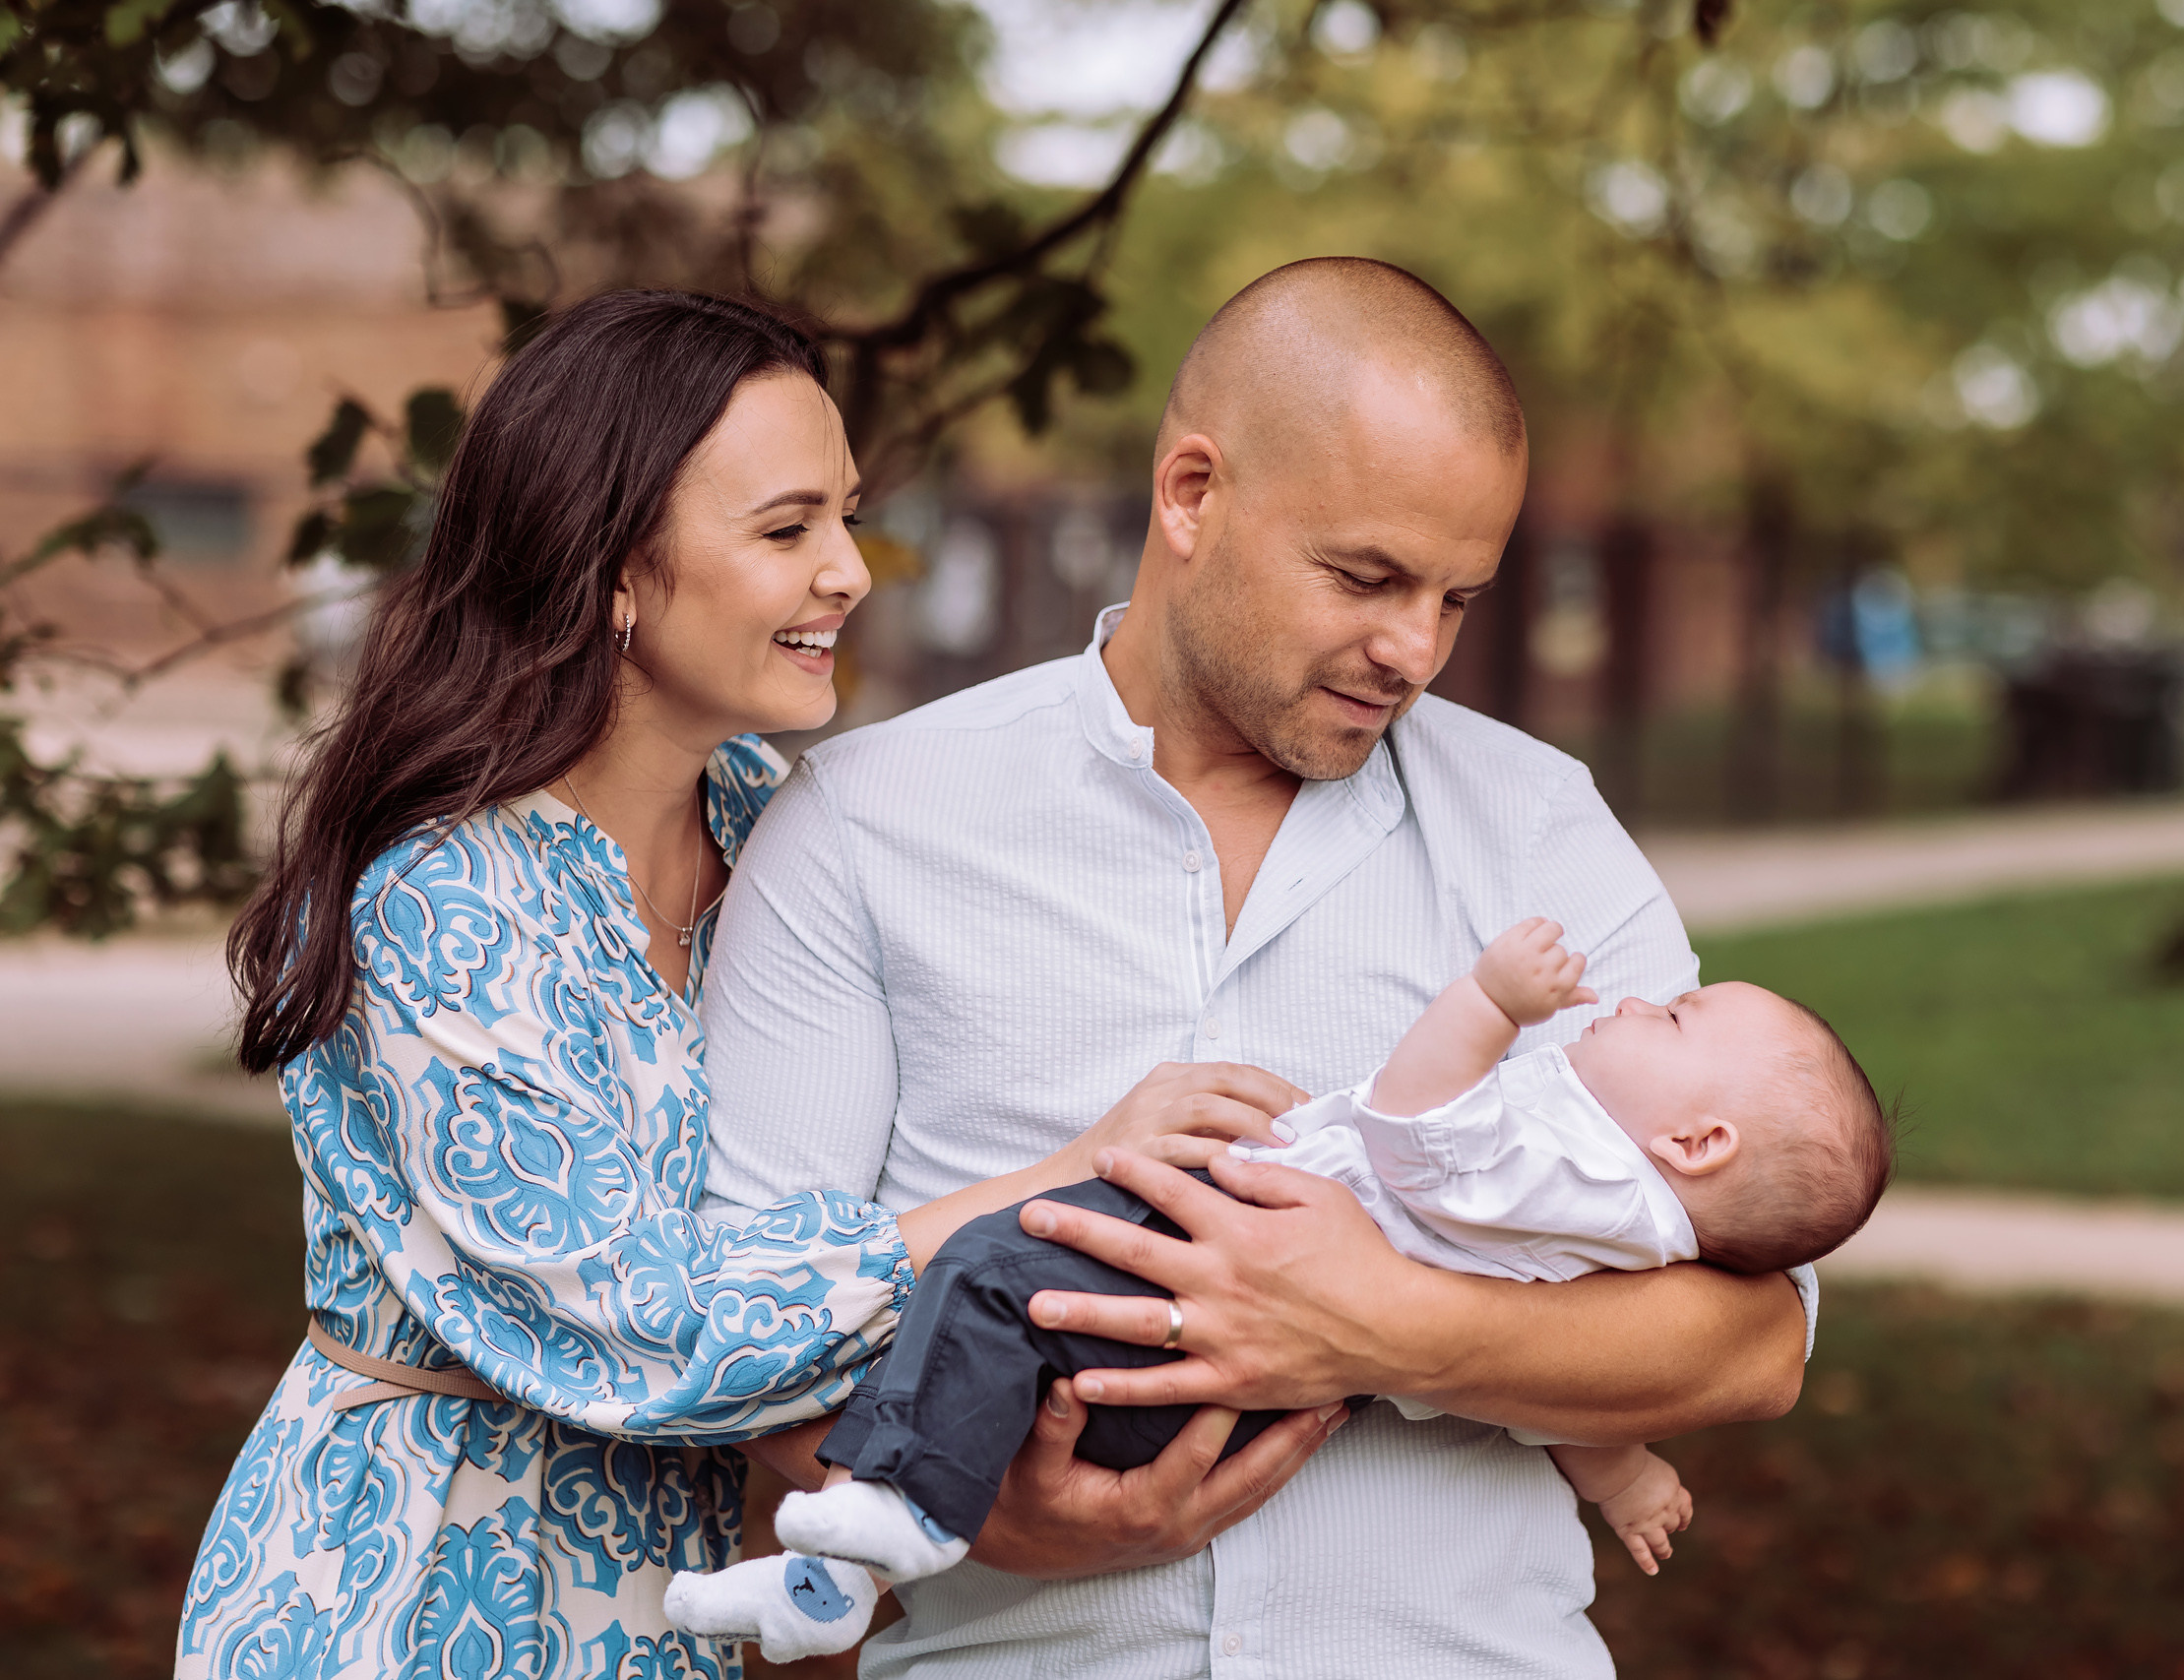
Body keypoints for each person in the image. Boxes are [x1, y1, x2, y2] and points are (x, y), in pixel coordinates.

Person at [701, 256, 1818, 1678]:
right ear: (1190, 494)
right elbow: (743, 1318)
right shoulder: (866, 824)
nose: (1412, 649)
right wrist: (1002, 1518)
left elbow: (1753, 1341)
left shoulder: (1539, 826)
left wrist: (1370, 1323)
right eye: (1366, 576)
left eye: (1458, 598)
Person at [179, 289, 1289, 1679]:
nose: (850, 572)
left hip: (664, 1602)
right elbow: (639, 1325)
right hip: (403, 1591)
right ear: (612, 572)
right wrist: (1054, 1181)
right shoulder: (439, 901)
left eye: (846, 516)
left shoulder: (774, 821)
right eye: (785, 530)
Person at [673, 917, 1892, 1659]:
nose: (1633, 998)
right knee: (976, 1343)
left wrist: (1486, 1005)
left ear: (1698, 1143)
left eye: (1670, 1017)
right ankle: (838, 1572)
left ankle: (884, 1533)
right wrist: (1623, 1476)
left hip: (1192, 1331)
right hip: (1232, 1397)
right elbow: (1562, 1396)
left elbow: (1417, 1128)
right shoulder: (1624, 1230)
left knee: (990, 1276)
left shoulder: (1570, 1158)